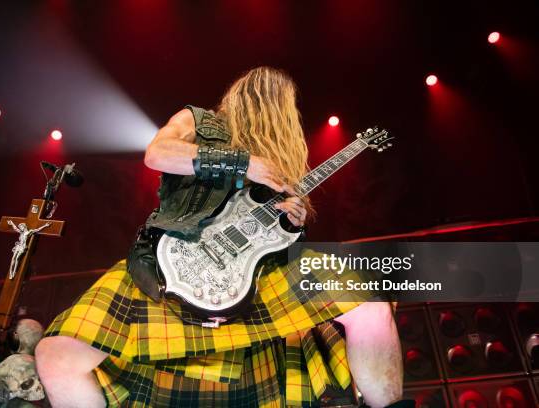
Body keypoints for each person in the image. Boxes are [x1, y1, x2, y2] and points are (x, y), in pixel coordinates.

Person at [36, 67, 410, 407]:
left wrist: (292, 221)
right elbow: (157, 154)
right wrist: (243, 162)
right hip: (174, 257)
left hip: (260, 269)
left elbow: (272, 228)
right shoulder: (200, 120)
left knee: (373, 313)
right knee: (57, 356)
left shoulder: (281, 157)